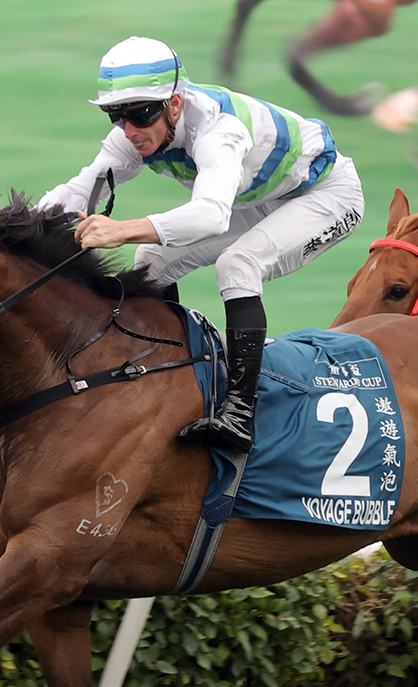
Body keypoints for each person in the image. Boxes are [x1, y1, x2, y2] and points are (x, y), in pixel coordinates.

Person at [39, 36, 365, 454]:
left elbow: (212, 215)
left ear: (175, 104)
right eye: (116, 115)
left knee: (238, 264)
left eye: (140, 113)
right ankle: (171, 378)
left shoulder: (218, 131)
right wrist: (7, 224)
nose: (130, 130)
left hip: (327, 196)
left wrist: (121, 229)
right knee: (151, 259)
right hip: (264, 197)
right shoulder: (136, 134)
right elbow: (81, 189)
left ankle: (241, 415)